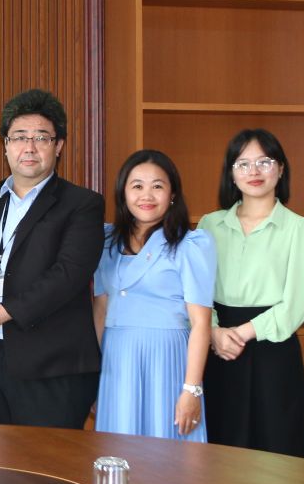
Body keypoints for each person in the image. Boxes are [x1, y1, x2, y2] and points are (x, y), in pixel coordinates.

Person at [0, 88, 102, 428]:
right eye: (19, 137)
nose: (29, 147)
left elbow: (68, 275)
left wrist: (6, 312)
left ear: (58, 146)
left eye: (41, 138)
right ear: (6, 145)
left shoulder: (82, 205)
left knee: (46, 463)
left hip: (50, 367)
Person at [198, 128, 304, 457]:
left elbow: (299, 303)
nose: (254, 171)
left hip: (272, 350)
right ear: (230, 173)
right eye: (243, 164)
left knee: (276, 448)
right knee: (221, 450)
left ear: (281, 169)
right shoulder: (209, 225)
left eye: (264, 162)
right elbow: (196, 291)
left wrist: (240, 334)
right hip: (219, 349)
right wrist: (214, 331)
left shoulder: (299, 228)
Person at [92, 149, 215, 442]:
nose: (146, 195)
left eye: (157, 186)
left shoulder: (190, 244)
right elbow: (100, 310)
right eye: (137, 186)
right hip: (116, 361)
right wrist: (95, 378)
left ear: (172, 194)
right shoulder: (106, 241)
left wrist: (192, 389)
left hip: (167, 358)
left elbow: (201, 323)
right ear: (123, 193)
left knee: (168, 452)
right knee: (119, 447)